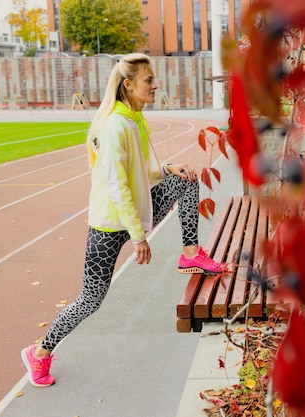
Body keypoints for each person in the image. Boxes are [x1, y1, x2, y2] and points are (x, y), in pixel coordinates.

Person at [20, 53, 226, 387]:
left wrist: (170, 168)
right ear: (129, 85)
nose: (155, 85)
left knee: (188, 179)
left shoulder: (134, 119)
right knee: (91, 300)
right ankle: (39, 353)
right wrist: (138, 237)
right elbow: (118, 185)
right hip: (107, 226)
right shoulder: (116, 125)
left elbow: (143, 172)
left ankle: (190, 254)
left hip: (134, 214)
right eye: (149, 80)